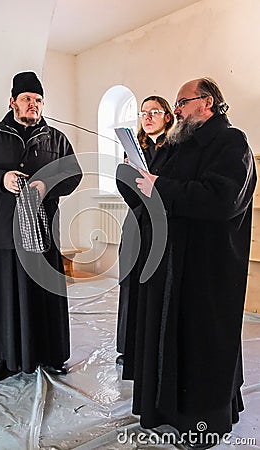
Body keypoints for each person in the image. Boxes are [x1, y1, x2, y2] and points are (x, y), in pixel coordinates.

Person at [117, 77, 257, 448]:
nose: (175, 110)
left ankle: (203, 424)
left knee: (201, 345)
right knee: (167, 339)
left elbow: (222, 199)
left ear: (207, 103)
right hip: (167, 264)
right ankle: (165, 412)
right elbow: (146, 191)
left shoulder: (231, 142)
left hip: (205, 270)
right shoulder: (177, 145)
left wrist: (158, 186)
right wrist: (131, 171)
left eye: (182, 102)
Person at [0, 71, 82, 382]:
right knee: (5, 296)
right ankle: (7, 358)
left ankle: (52, 354)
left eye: (38, 100)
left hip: (42, 233)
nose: (33, 105)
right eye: (27, 99)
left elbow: (74, 175)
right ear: (13, 102)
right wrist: (1, 180)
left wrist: (46, 185)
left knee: (45, 295)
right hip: (3, 233)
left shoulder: (57, 139)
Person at [115, 96, 174, 366]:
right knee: (130, 283)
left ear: (168, 117)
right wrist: (125, 171)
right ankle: (128, 348)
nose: (147, 117)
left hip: (160, 225)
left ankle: (149, 349)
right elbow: (130, 193)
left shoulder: (175, 149)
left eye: (154, 111)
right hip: (136, 222)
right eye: (143, 113)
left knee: (152, 284)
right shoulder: (134, 148)